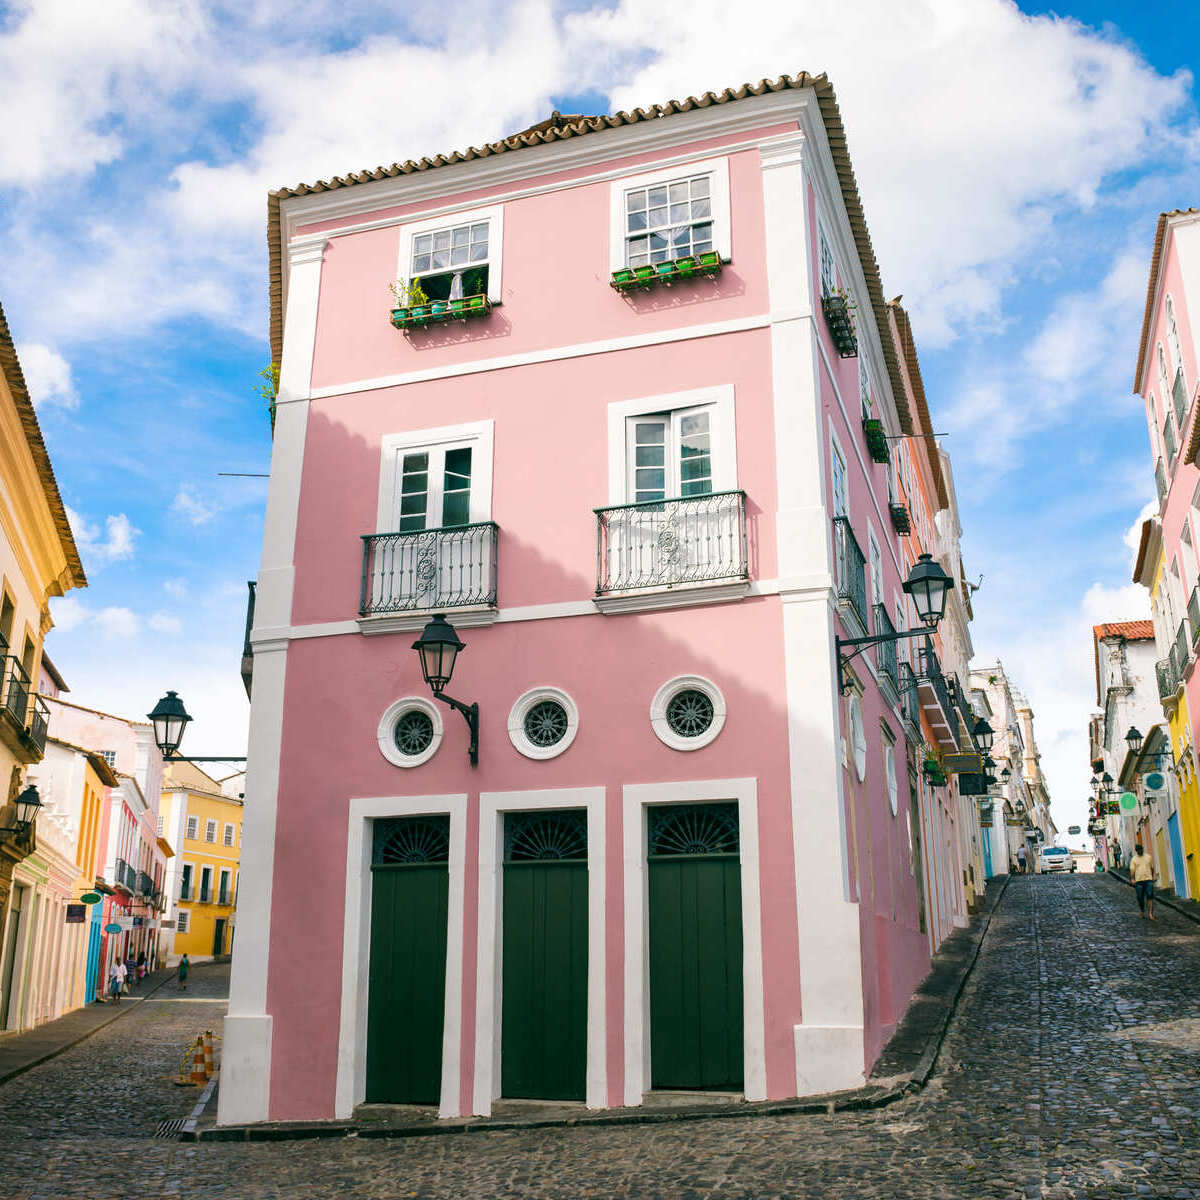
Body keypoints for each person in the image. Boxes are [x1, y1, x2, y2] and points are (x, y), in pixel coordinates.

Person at [1129, 843, 1157, 919]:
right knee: (1140, 897)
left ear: (1142, 849)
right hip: (1139, 881)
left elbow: (1152, 868)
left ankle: (1150, 913)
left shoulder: (1148, 857)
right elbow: (1132, 870)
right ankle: (1142, 911)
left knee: (1150, 896)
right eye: (1138, 850)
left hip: (1148, 880)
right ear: (1136, 851)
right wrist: (1132, 879)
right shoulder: (1134, 859)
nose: (1139, 851)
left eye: (1140, 849)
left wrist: (1153, 876)